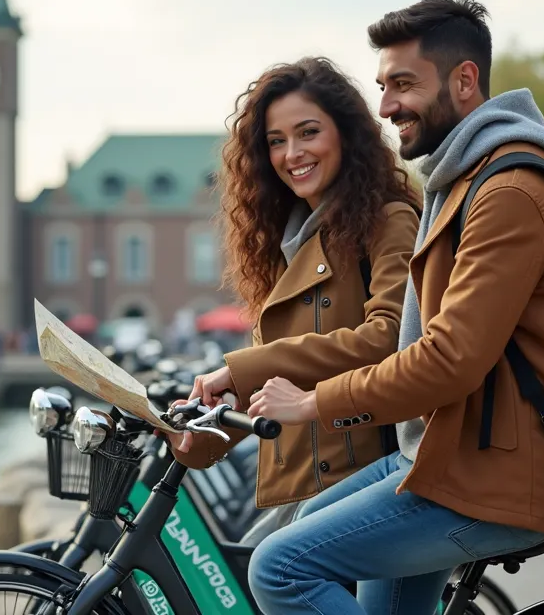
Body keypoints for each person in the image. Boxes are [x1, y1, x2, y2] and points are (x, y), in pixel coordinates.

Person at [243, 0, 544, 614]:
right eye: (382, 85)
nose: (386, 106)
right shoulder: (463, 181)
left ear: (465, 80)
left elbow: (449, 359)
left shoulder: (508, 191)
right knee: (282, 542)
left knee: (280, 568)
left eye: (404, 84)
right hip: (439, 456)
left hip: (486, 478)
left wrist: (313, 402)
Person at [166, 56, 422, 543]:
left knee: (274, 575)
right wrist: (200, 432)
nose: (292, 153)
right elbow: (281, 384)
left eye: (308, 133)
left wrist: (244, 366)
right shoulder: (284, 247)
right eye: (276, 141)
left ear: (345, 134)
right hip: (302, 482)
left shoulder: (388, 221)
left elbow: (391, 336)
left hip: (363, 476)